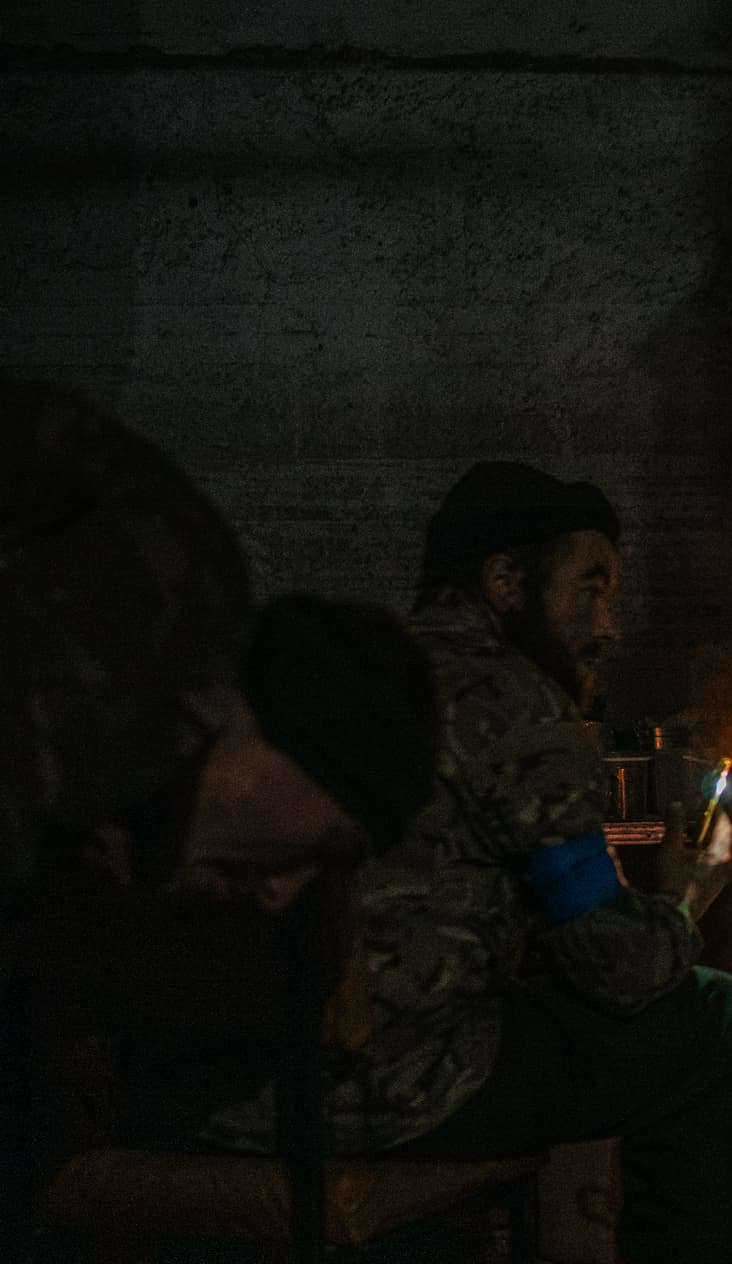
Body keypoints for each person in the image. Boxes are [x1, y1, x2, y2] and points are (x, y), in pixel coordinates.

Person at [204, 461, 732, 1263]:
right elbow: (622, 969)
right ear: (505, 581)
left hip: (221, 1091)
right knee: (714, 1018)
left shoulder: (341, 668)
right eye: (591, 588)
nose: (609, 626)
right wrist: (691, 896)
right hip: (384, 1087)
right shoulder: (509, 699)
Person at [0, 381, 438, 1227]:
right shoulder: (101, 701)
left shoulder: (134, 792)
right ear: (285, 737)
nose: (282, 888)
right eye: (331, 846)